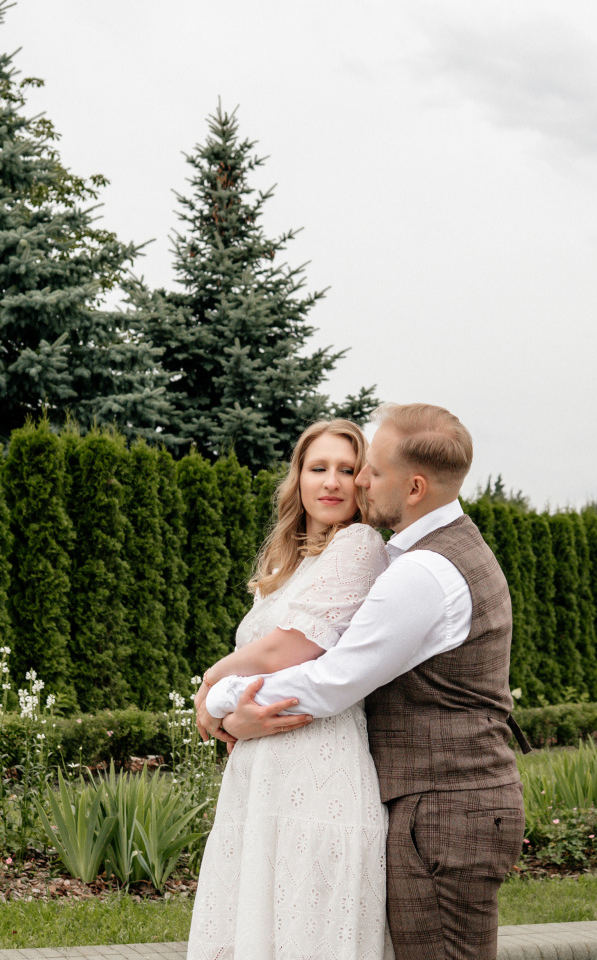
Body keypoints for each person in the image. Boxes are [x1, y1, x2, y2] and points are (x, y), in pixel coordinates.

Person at [203, 403, 529, 960]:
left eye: (366, 470)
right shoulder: (425, 555)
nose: (357, 482)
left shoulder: (421, 570)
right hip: (432, 801)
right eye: (321, 468)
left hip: (441, 804)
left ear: (416, 486)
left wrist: (219, 695)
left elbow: (333, 680)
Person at [186, 418, 391, 960]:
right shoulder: (287, 561)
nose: (331, 482)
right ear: (297, 477)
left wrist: (211, 681)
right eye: (317, 468)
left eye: (347, 470)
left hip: (318, 768)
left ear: (363, 481)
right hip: (259, 774)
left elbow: (289, 650)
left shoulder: (361, 545)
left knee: (307, 932)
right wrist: (230, 720)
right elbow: (262, 675)